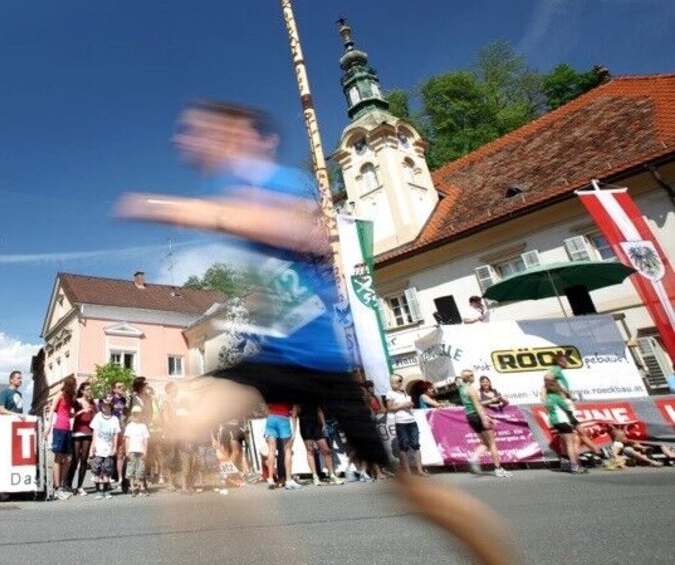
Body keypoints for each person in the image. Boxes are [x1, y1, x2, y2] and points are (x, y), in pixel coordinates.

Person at [116, 100, 517, 565]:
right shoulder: (240, 187)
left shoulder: (277, 182)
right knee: (185, 429)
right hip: (280, 354)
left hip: (318, 358)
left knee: (406, 490)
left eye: (205, 131)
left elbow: (292, 230)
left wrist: (184, 210)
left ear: (250, 137)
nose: (191, 141)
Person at [457, 370, 511, 477]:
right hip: (477, 416)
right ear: (470, 377)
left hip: (470, 416)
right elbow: (478, 405)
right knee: (491, 443)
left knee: (485, 443)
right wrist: (485, 418)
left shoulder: (462, 388)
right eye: (472, 376)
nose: (474, 377)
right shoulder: (471, 389)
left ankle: (474, 457)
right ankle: (498, 468)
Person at [386, 373, 425, 475]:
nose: (400, 382)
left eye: (401, 380)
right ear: (393, 381)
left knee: (416, 444)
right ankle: (408, 471)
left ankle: (420, 470)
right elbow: (389, 408)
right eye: (399, 380)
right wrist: (403, 405)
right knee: (404, 446)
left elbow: (410, 404)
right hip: (401, 422)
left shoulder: (404, 392)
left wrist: (411, 404)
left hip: (411, 420)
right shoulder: (390, 393)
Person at [543, 375, 583, 474]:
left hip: (554, 422)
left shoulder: (547, 398)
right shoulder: (557, 398)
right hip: (563, 420)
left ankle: (565, 464)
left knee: (564, 443)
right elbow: (567, 408)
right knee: (570, 443)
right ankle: (574, 465)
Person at [46, 375, 76, 499]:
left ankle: (61, 484)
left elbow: (69, 414)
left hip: (68, 428)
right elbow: (52, 409)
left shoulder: (70, 398)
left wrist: (78, 412)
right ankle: (57, 487)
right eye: (74, 384)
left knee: (68, 458)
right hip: (59, 428)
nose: (75, 387)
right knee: (58, 457)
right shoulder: (60, 394)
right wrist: (48, 427)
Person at [300, 404, 344, 485]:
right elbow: (295, 412)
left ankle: (332, 475)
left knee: (326, 450)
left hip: (317, 424)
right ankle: (315, 477)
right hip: (305, 424)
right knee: (310, 450)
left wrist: (323, 424)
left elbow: (319, 410)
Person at [66, 381, 96, 494]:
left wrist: (93, 411)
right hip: (78, 431)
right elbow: (70, 415)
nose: (89, 391)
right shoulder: (76, 402)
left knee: (84, 460)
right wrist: (82, 411)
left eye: (90, 389)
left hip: (88, 432)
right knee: (75, 459)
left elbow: (95, 416)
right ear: (82, 391)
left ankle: (80, 486)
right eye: (87, 389)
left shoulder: (92, 402)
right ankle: (68, 484)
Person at [89, 396, 121, 500]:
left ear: (110, 407)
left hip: (108, 448)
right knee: (97, 470)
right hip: (99, 448)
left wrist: (115, 448)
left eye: (107, 405)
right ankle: (99, 491)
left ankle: (106, 491)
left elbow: (116, 434)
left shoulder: (114, 419)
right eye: (103, 405)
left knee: (107, 470)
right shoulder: (98, 416)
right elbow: (95, 433)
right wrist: (92, 448)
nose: (104, 407)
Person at [264, 402, 298, 489]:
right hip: (283, 418)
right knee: (287, 450)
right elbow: (294, 414)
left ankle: (270, 478)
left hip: (271, 418)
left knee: (271, 450)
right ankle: (288, 480)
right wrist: (294, 432)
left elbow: (266, 408)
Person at [124, 404, 151, 496]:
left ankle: (141, 487)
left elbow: (146, 439)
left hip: (141, 450)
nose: (136, 415)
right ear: (132, 415)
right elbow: (127, 439)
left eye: (138, 413)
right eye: (135, 414)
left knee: (141, 469)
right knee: (131, 469)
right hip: (132, 450)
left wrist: (145, 450)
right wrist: (127, 450)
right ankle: (132, 487)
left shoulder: (143, 426)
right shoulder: (129, 426)